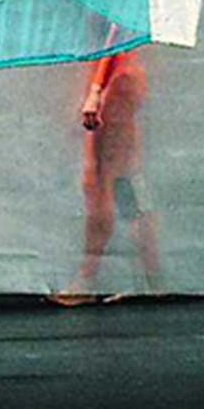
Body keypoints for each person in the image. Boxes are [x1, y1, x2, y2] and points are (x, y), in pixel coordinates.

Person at [49, 35, 163, 306]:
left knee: (101, 181)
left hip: (114, 76)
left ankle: (85, 281)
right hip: (117, 74)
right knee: (124, 182)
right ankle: (153, 281)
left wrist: (96, 90)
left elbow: (114, 30)